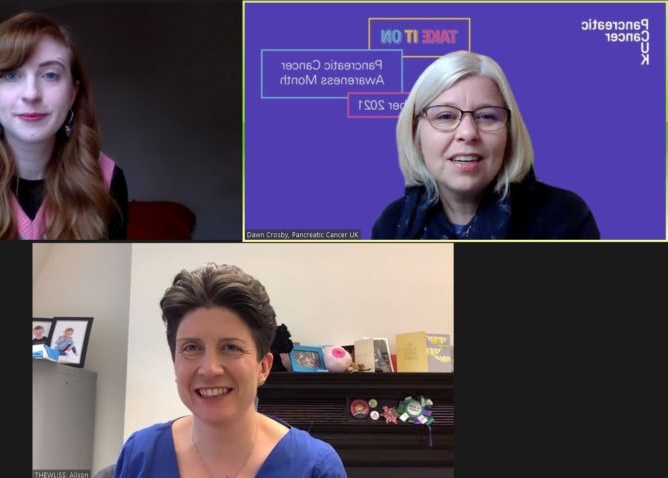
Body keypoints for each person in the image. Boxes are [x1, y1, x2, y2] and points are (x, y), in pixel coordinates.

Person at [115, 263, 347, 477]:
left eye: (230, 347)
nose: (210, 369)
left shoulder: (315, 467)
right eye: (191, 347)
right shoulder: (140, 455)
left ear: (263, 367)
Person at [0, 12, 127, 240]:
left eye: (50, 75)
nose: (31, 94)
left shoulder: (107, 179)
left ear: (72, 93)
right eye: (11, 75)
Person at [372, 50, 599, 239]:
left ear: (509, 132)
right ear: (415, 133)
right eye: (445, 116)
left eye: (487, 116)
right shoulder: (392, 225)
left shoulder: (565, 218)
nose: (468, 133)